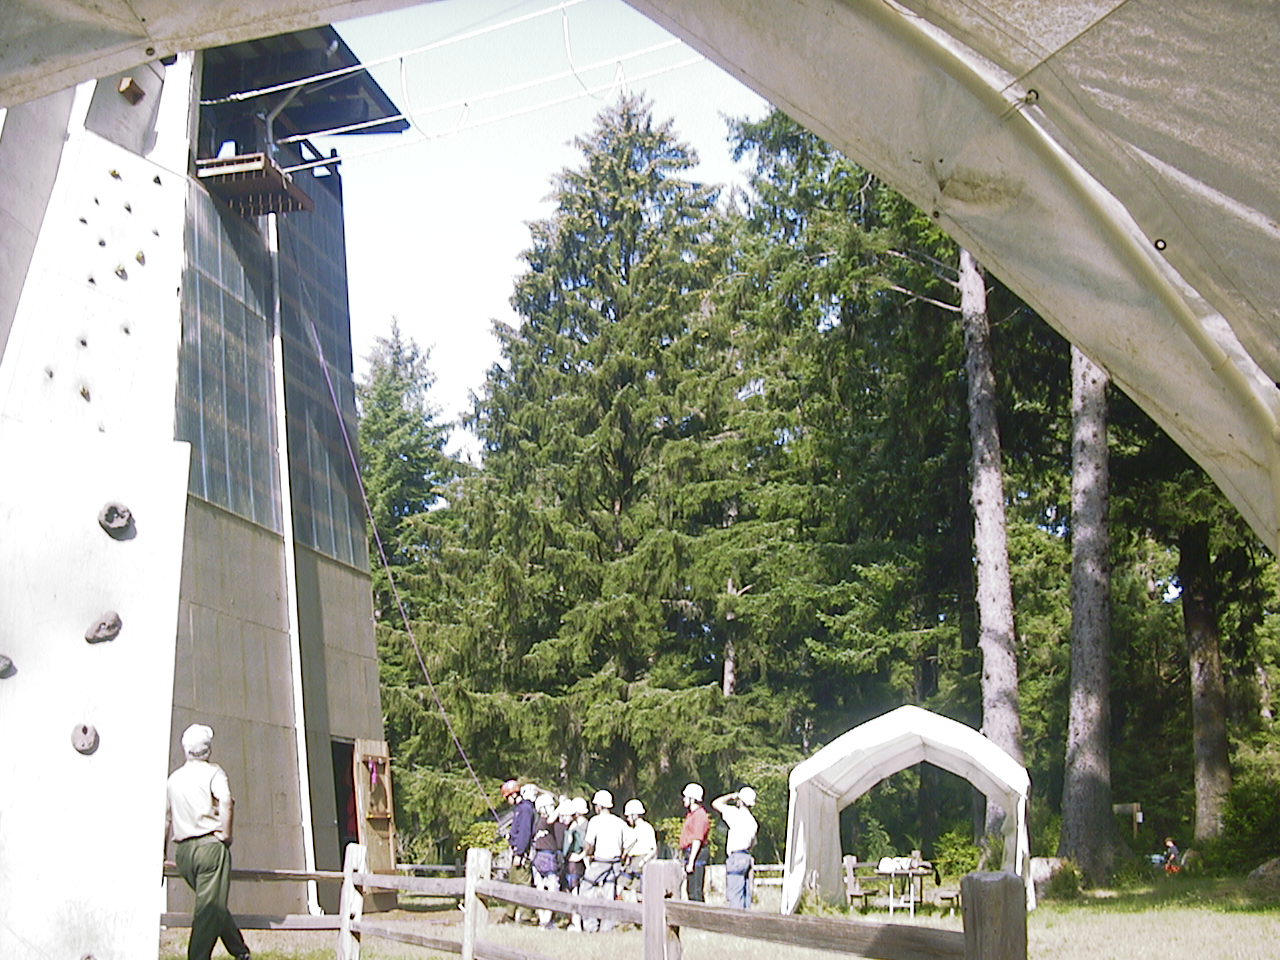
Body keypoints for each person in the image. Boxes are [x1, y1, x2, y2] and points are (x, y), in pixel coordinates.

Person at [165, 723, 251, 960]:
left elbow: (166, 818)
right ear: (208, 750)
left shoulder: (173, 779)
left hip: (183, 852)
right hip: (209, 847)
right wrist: (226, 834)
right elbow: (226, 801)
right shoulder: (214, 772)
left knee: (212, 901)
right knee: (209, 908)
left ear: (185, 749)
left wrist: (162, 854)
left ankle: (240, 952)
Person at [581, 789, 626, 931]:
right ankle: (607, 927)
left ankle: (590, 925)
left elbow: (589, 843)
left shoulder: (595, 821)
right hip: (615, 862)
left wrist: (587, 853)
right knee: (609, 892)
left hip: (601, 861)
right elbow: (631, 841)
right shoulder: (619, 822)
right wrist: (623, 854)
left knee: (586, 889)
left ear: (599, 806)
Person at [712, 786, 759, 909]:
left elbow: (716, 803)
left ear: (740, 801)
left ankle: (736, 919)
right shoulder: (753, 822)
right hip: (747, 857)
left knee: (735, 895)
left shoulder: (734, 814)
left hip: (736, 857)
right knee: (746, 896)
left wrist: (732, 795)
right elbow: (753, 844)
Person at [504, 780, 536, 922]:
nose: (507, 800)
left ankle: (526, 916)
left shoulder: (525, 809)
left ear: (514, 794)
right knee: (513, 882)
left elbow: (524, 832)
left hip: (522, 854)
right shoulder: (519, 809)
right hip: (516, 851)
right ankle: (510, 914)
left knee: (523, 884)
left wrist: (519, 853)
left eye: (507, 797)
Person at [530, 793, 564, 929]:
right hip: (547, 857)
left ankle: (543, 919)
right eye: (549, 806)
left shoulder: (539, 823)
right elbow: (551, 819)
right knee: (552, 888)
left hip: (539, 858)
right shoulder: (544, 821)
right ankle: (546, 920)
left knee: (541, 888)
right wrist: (561, 805)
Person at [618, 798, 658, 900]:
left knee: (636, 889)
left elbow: (653, 849)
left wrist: (643, 862)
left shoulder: (646, 828)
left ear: (634, 815)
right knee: (622, 884)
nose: (627, 819)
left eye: (628, 816)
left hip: (640, 862)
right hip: (633, 862)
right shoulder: (636, 829)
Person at [678, 782, 711, 901]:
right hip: (691, 853)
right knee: (690, 890)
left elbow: (697, 839)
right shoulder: (692, 815)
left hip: (696, 855)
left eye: (686, 797)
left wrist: (691, 862)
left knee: (696, 891)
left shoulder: (699, 815)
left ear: (692, 799)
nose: (683, 799)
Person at [560, 796, 589, 930]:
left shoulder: (576, 830)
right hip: (573, 864)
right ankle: (574, 922)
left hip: (575, 865)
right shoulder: (576, 827)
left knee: (575, 892)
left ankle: (577, 924)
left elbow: (583, 845)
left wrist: (580, 856)